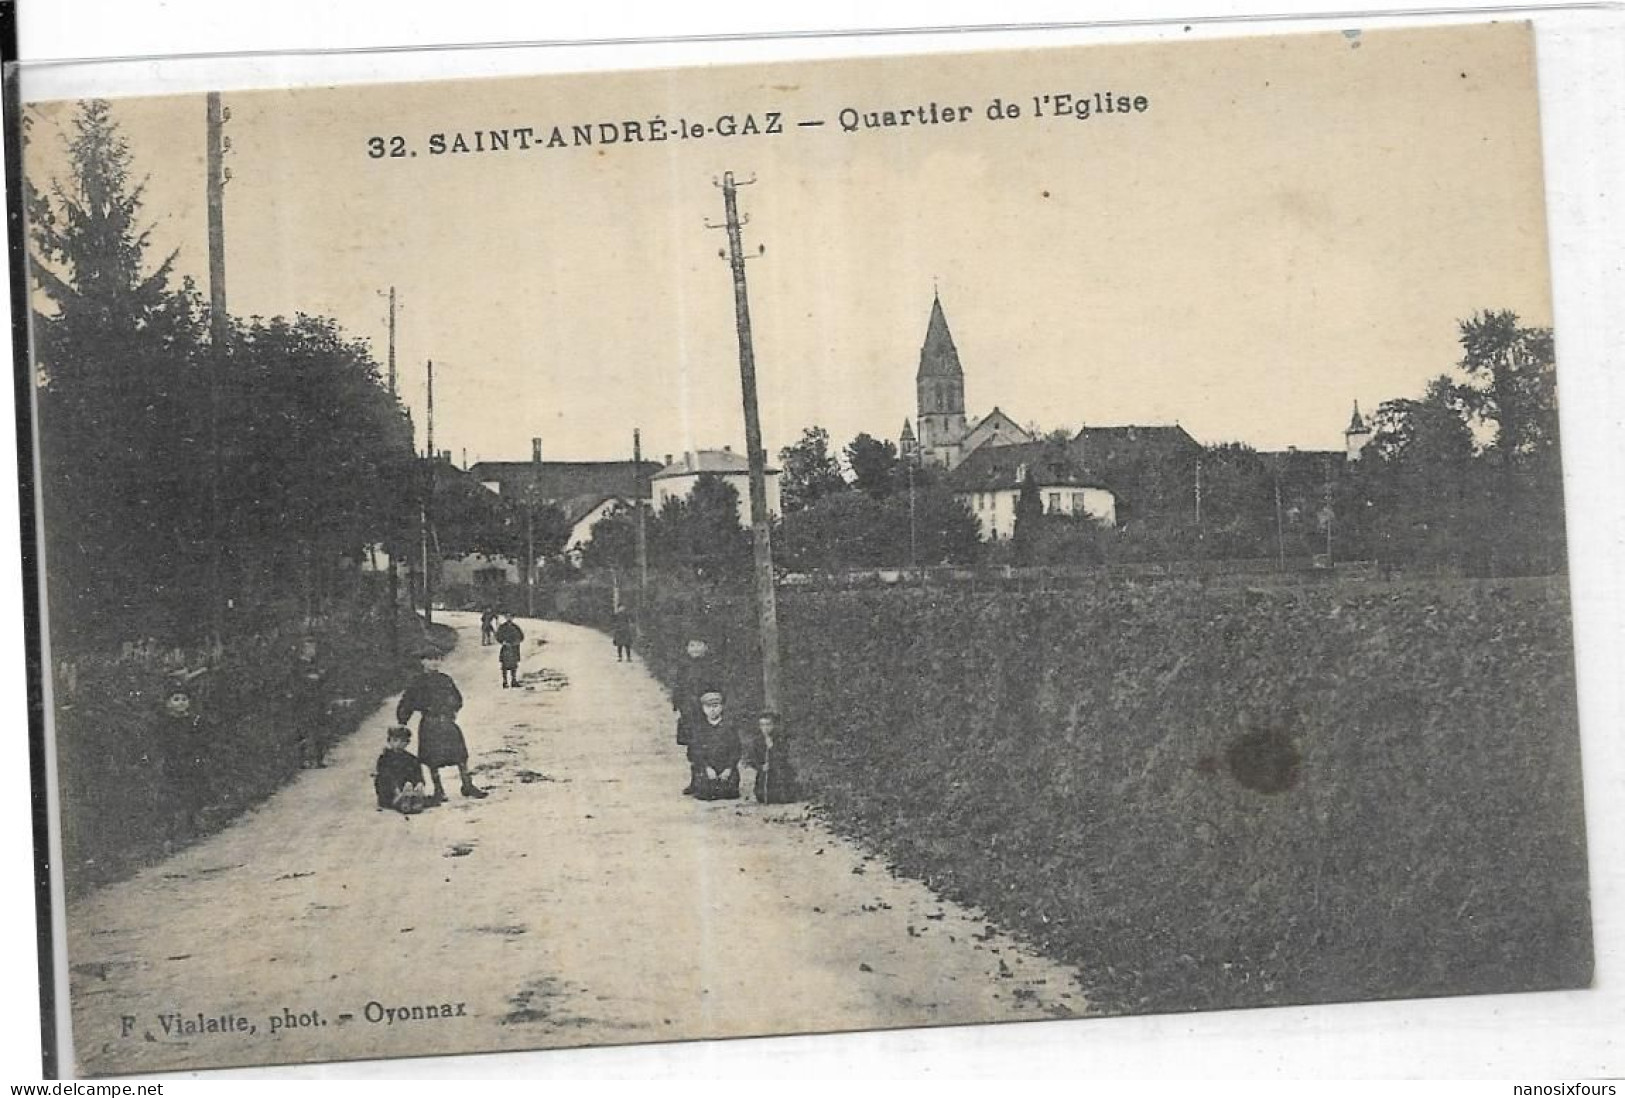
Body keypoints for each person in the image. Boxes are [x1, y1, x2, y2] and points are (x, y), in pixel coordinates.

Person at [395, 645, 487, 802]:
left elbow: (457, 697)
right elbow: (407, 702)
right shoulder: (417, 682)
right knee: (432, 758)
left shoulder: (445, 679)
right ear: (422, 661)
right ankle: (439, 790)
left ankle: (467, 785)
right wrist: (403, 720)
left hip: (447, 722)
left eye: (437, 659)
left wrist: (453, 710)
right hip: (430, 723)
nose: (434, 663)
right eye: (429, 659)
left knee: (460, 755)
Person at [673, 634, 721, 794]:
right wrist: (677, 705)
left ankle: (709, 780)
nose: (695, 649)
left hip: (705, 712)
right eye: (692, 645)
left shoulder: (711, 666)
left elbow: (717, 688)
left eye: (699, 645)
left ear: (706, 648)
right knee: (693, 746)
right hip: (688, 712)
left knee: (707, 744)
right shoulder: (684, 666)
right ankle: (695, 780)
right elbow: (678, 686)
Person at [687, 687, 742, 800]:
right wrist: (706, 768)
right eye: (708, 707)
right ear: (703, 709)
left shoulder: (729, 727)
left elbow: (736, 749)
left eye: (715, 706)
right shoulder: (700, 729)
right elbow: (694, 752)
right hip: (707, 769)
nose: (712, 710)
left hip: (725, 769)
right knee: (705, 793)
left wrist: (729, 768)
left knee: (729, 793)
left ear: (721, 707)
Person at [288, 635, 331, 769]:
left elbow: (322, 681)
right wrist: (312, 679)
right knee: (302, 730)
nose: (313, 650)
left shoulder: (316, 664)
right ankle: (303, 759)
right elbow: (296, 683)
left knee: (319, 729)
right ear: (303, 649)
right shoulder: (297, 666)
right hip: (303, 702)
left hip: (317, 701)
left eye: (314, 648)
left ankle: (319, 759)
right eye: (309, 648)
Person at [373, 725, 428, 815]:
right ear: (389, 741)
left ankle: (411, 798)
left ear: (407, 743)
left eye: (403, 741)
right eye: (395, 740)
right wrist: (396, 789)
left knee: (412, 779)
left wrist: (420, 783)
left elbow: (418, 773)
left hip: (406, 787)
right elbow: (385, 775)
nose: (398, 744)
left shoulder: (411, 758)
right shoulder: (384, 758)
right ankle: (400, 799)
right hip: (391, 790)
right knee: (384, 777)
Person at [749, 710, 800, 804]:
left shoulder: (781, 739)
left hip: (779, 774)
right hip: (764, 775)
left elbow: (785, 756)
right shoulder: (757, 741)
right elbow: (752, 759)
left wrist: (772, 748)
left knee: (781, 795)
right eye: (762, 725)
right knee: (761, 795)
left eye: (768, 725)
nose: (765, 728)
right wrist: (761, 766)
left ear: (774, 725)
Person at [495, 613, 525, 688]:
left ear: (513, 618)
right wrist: (503, 642)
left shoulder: (516, 627)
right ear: (505, 617)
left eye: (511, 617)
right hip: (506, 648)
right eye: (507, 617)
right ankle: (505, 682)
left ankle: (513, 681)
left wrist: (516, 642)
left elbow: (521, 637)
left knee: (514, 666)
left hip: (514, 648)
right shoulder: (502, 627)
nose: (509, 618)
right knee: (504, 666)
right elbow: (498, 636)